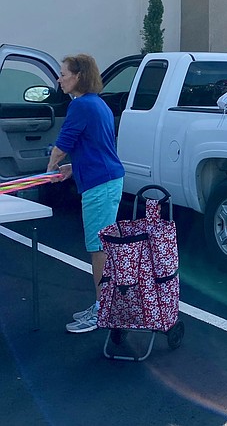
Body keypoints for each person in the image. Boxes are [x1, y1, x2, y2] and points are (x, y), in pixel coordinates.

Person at [47, 54, 125, 334]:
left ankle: (103, 309)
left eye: (63, 74)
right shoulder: (97, 104)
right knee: (100, 246)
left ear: (78, 76)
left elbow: (63, 143)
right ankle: (104, 304)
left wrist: (51, 167)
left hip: (100, 185)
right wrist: (72, 167)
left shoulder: (80, 106)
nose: (59, 79)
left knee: (98, 248)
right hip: (105, 179)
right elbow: (96, 146)